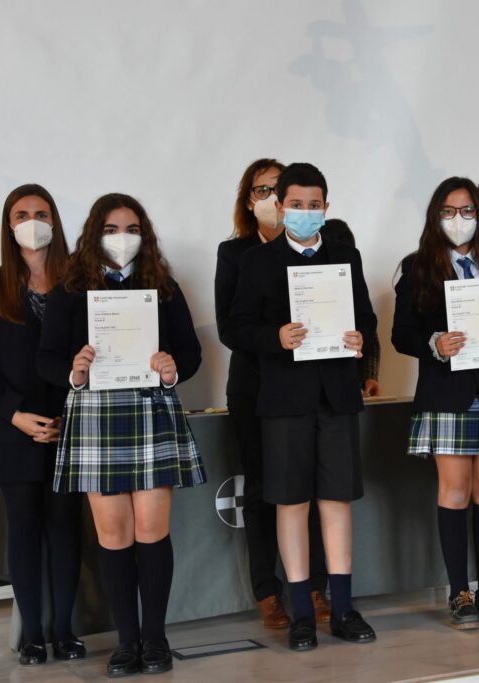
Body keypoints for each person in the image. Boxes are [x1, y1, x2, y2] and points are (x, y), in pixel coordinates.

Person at [37, 193, 205, 676]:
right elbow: (46, 359)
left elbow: (189, 354)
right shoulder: (70, 290)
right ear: (95, 235)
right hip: (94, 415)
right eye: (112, 229)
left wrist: (172, 369)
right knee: (113, 534)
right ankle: (126, 643)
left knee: (152, 530)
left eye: (131, 228)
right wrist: (75, 371)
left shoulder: (163, 287)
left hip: (152, 410)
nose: (122, 238)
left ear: (144, 236)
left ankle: (156, 640)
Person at [223, 162, 378, 651]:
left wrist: (359, 340)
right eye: (296, 205)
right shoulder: (257, 262)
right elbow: (235, 329)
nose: (306, 213)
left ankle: (345, 607)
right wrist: (275, 337)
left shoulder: (344, 256)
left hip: (336, 396)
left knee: (336, 502)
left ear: (326, 208)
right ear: (279, 206)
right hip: (284, 399)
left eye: (315, 206)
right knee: (290, 503)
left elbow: (367, 319)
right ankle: (302, 613)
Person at [392, 176, 479, 630]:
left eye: (468, 211)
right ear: (436, 217)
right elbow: (402, 335)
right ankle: (459, 592)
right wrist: (435, 342)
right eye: (450, 212)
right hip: (447, 394)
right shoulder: (417, 268)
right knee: (454, 491)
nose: (460, 220)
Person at [0, 184, 84, 666]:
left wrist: (63, 416)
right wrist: (15, 413)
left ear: (54, 221)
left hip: (69, 425)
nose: (32, 220)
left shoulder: (78, 283)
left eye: (41, 212)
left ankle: (64, 630)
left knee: (65, 530)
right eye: (22, 213)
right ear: (8, 225)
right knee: (25, 532)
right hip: (12, 427)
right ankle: (32, 633)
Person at [216, 158, 304, 628]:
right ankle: (268, 592)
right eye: (260, 190)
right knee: (262, 488)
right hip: (253, 386)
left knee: (304, 488)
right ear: (248, 201)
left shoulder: (315, 248)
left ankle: (310, 589)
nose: (270, 197)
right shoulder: (234, 254)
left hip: (307, 386)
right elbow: (231, 327)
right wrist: (274, 338)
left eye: (277, 188)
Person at [320, 218, 383, 398]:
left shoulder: (354, 288)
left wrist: (370, 377)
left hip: (347, 384)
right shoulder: (303, 289)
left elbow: (371, 337)